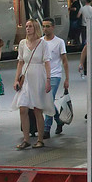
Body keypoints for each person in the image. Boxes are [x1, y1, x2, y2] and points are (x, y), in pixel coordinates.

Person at [12, 19, 54, 149]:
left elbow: (47, 62)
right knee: (23, 108)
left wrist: (48, 79)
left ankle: (40, 139)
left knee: (37, 109)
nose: (27, 29)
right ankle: (26, 138)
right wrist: (16, 79)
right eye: (26, 26)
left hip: (38, 77)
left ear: (35, 28)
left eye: (30, 26)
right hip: (26, 78)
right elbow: (20, 62)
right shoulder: (22, 43)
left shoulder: (42, 44)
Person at [41, 17, 69, 139]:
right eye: (43, 26)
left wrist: (67, 78)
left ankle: (46, 128)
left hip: (55, 75)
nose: (45, 29)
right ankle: (58, 120)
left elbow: (65, 61)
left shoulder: (59, 42)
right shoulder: (40, 41)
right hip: (42, 75)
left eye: (47, 26)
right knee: (49, 102)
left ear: (53, 27)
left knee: (48, 101)